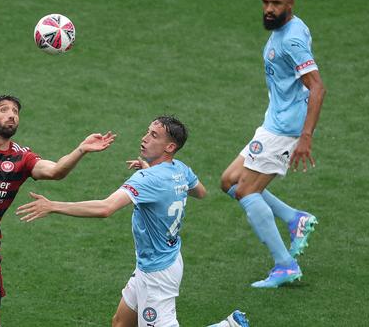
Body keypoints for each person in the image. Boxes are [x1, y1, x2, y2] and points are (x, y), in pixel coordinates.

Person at [16, 116, 249, 327]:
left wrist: (53, 206)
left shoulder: (147, 179)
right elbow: (200, 192)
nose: (144, 138)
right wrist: (159, 178)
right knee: (120, 323)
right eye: (147, 132)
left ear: (170, 147)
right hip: (161, 260)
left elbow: (106, 208)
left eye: (154, 135)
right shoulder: (180, 170)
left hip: (157, 274)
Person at [0, 95, 116, 327]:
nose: (11, 115)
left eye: (15, 111)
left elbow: (56, 171)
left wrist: (81, 149)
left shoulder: (22, 158)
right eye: (4, 110)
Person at [219, 0, 327, 289]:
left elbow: (317, 86)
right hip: (273, 122)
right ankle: (295, 219)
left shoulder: (290, 39)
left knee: (245, 191)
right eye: (266, 2)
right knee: (229, 181)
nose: (269, 9)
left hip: (285, 128)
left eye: (276, 4)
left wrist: (306, 136)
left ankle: (284, 265)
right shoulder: (289, 29)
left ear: (290, 4)